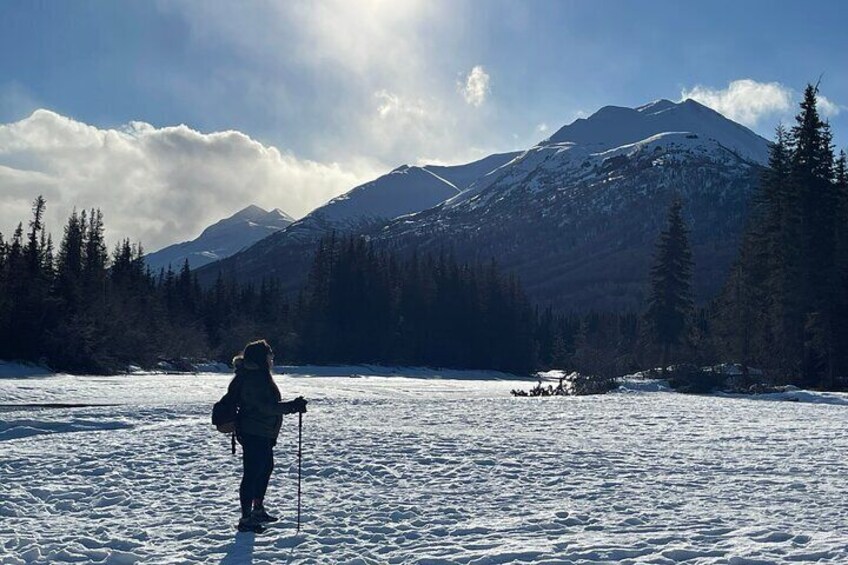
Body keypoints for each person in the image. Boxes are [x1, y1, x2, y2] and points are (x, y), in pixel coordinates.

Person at [231, 339, 307, 532]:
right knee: (252, 473)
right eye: (269, 354)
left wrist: (291, 406)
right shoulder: (254, 378)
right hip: (254, 431)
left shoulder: (258, 376)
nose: (272, 357)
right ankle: (246, 518)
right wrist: (292, 407)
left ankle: (257, 509)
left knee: (264, 469)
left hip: (262, 431)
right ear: (261, 358)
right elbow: (266, 407)